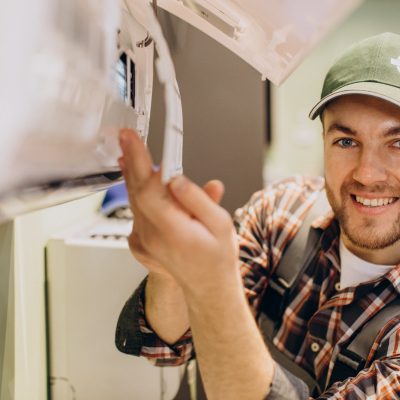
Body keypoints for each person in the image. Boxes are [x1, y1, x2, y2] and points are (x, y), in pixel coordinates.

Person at [115, 32, 400, 399]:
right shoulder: (281, 213)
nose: (367, 173)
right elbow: (165, 344)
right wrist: (172, 271)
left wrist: (212, 283)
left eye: (397, 143)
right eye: (346, 141)